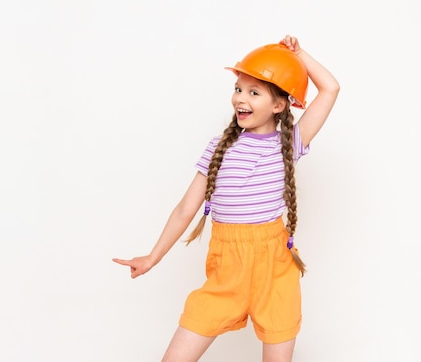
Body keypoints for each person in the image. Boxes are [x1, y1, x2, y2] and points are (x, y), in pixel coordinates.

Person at [113, 35, 340, 362]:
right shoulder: (219, 147)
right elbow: (184, 210)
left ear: (279, 105)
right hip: (227, 266)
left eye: (254, 92)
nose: (240, 99)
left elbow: (330, 89)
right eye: (238, 89)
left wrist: (299, 55)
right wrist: (152, 257)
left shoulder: (290, 142)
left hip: (275, 267)